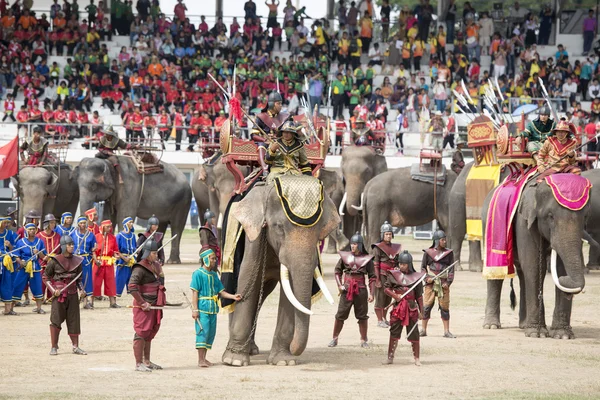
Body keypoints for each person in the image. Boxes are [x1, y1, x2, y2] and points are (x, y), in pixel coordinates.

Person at [191, 245, 241, 367]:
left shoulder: (213, 275)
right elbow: (194, 293)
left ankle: (205, 358)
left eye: (214, 258)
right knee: (203, 332)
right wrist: (195, 309)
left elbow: (221, 292)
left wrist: (234, 297)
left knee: (210, 333)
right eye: (212, 258)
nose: (214, 260)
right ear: (206, 259)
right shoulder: (197, 274)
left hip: (213, 308)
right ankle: (200, 360)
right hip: (202, 308)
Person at [328, 232, 375, 348]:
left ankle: (363, 340)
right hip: (347, 289)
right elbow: (337, 271)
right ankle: (334, 338)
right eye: (352, 244)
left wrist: (372, 293)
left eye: (355, 244)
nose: (353, 246)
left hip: (361, 290)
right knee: (340, 315)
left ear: (359, 245)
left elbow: (372, 277)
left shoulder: (367, 259)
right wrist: (340, 285)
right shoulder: (345, 257)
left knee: (362, 316)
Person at [43, 235, 87, 355]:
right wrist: (53, 290)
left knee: (74, 320)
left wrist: (82, 290)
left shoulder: (78, 261)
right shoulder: (54, 261)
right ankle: (54, 347)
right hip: (59, 294)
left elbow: (78, 280)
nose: (71, 246)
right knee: (56, 319)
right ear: (63, 246)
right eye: (69, 244)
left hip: (72, 294)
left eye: (72, 244)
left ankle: (75, 346)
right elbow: (46, 277)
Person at [129, 239, 165, 372]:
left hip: (155, 304)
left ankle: (147, 361)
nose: (156, 255)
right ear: (147, 253)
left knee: (150, 332)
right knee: (142, 331)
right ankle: (138, 363)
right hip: (144, 305)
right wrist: (142, 303)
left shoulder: (155, 265)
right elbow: (132, 287)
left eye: (157, 253)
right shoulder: (139, 268)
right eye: (154, 253)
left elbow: (160, 281)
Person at [383, 250, 424, 366]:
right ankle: (390, 357)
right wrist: (395, 296)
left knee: (414, 333)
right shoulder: (393, 275)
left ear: (409, 264)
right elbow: (386, 289)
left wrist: (422, 311)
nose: (401, 266)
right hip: (398, 307)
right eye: (400, 263)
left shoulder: (416, 278)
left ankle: (416, 358)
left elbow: (419, 296)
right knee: (394, 331)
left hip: (411, 307)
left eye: (404, 264)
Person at [420, 230, 455, 338]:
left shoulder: (449, 253)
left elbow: (452, 270)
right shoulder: (428, 253)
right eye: (442, 240)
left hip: (443, 283)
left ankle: (446, 331)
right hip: (431, 283)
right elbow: (422, 268)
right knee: (426, 307)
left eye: (445, 239)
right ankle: (423, 330)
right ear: (436, 241)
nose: (445, 241)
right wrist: (426, 278)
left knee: (444, 307)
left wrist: (448, 283)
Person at [253, 92, 291, 177]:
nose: (281, 105)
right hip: (265, 142)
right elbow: (253, 135)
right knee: (261, 145)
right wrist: (264, 139)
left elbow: (290, 132)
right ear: (271, 104)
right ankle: (265, 169)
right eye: (278, 103)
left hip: (281, 142)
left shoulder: (285, 117)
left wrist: (280, 136)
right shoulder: (260, 117)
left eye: (281, 103)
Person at [372, 221, 402, 328]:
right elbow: (375, 265)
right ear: (382, 235)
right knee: (380, 297)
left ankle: (384, 318)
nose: (388, 236)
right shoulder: (377, 248)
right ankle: (379, 320)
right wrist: (377, 280)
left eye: (390, 234)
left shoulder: (395, 247)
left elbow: (397, 261)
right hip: (382, 275)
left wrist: (397, 267)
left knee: (388, 298)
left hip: (392, 276)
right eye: (386, 234)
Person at [13, 223, 47, 314]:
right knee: (18, 285)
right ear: (26, 231)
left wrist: (39, 252)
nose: (32, 231)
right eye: (30, 229)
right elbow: (16, 255)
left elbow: (44, 257)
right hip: (23, 268)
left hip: (35, 267)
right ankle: (11, 308)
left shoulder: (40, 242)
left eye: (33, 229)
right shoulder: (20, 242)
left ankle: (39, 308)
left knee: (37, 286)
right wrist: (20, 262)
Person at [70, 215, 97, 309]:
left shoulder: (91, 235)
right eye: (81, 223)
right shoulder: (73, 234)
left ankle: (85, 302)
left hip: (86, 261)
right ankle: (73, 302)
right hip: (75, 260)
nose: (83, 225)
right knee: (74, 280)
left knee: (86, 280)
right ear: (78, 224)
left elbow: (93, 247)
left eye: (84, 223)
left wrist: (94, 249)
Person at [93, 220, 119, 308]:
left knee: (110, 282)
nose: (109, 228)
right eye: (107, 227)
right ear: (103, 227)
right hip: (98, 263)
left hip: (109, 263)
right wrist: (96, 260)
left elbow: (115, 250)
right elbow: (93, 251)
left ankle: (112, 302)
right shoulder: (96, 237)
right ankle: (91, 302)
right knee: (95, 282)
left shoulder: (113, 237)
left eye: (110, 226)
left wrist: (116, 255)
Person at [37, 214, 61, 298]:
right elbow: (37, 249)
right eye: (51, 222)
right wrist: (43, 257)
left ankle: (51, 297)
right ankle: (41, 297)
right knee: (42, 280)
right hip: (42, 262)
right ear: (46, 223)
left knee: (52, 280)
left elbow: (59, 250)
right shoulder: (39, 236)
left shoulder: (57, 236)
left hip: (53, 261)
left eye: (54, 223)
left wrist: (52, 257)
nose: (53, 224)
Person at [1, 215, 18, 315]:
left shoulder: (10, 234)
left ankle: (7, 309)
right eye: (4, 223)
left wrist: (10, 246)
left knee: (7, 284)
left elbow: (14, 249)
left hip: (6, 263)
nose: (6, 225)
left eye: (7, 223)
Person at [116, 217, 136, 299]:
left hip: (132, 260)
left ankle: (133, 295)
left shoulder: (133, 236)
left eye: (132, 222)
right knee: (120, 278)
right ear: (125, 224)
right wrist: (124, 258)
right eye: (130, 222)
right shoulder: (119, 236)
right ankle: (115, 296)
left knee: (132, 278)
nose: (131, 224)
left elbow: (135, 247)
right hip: (122, 260)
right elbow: (116, 250)